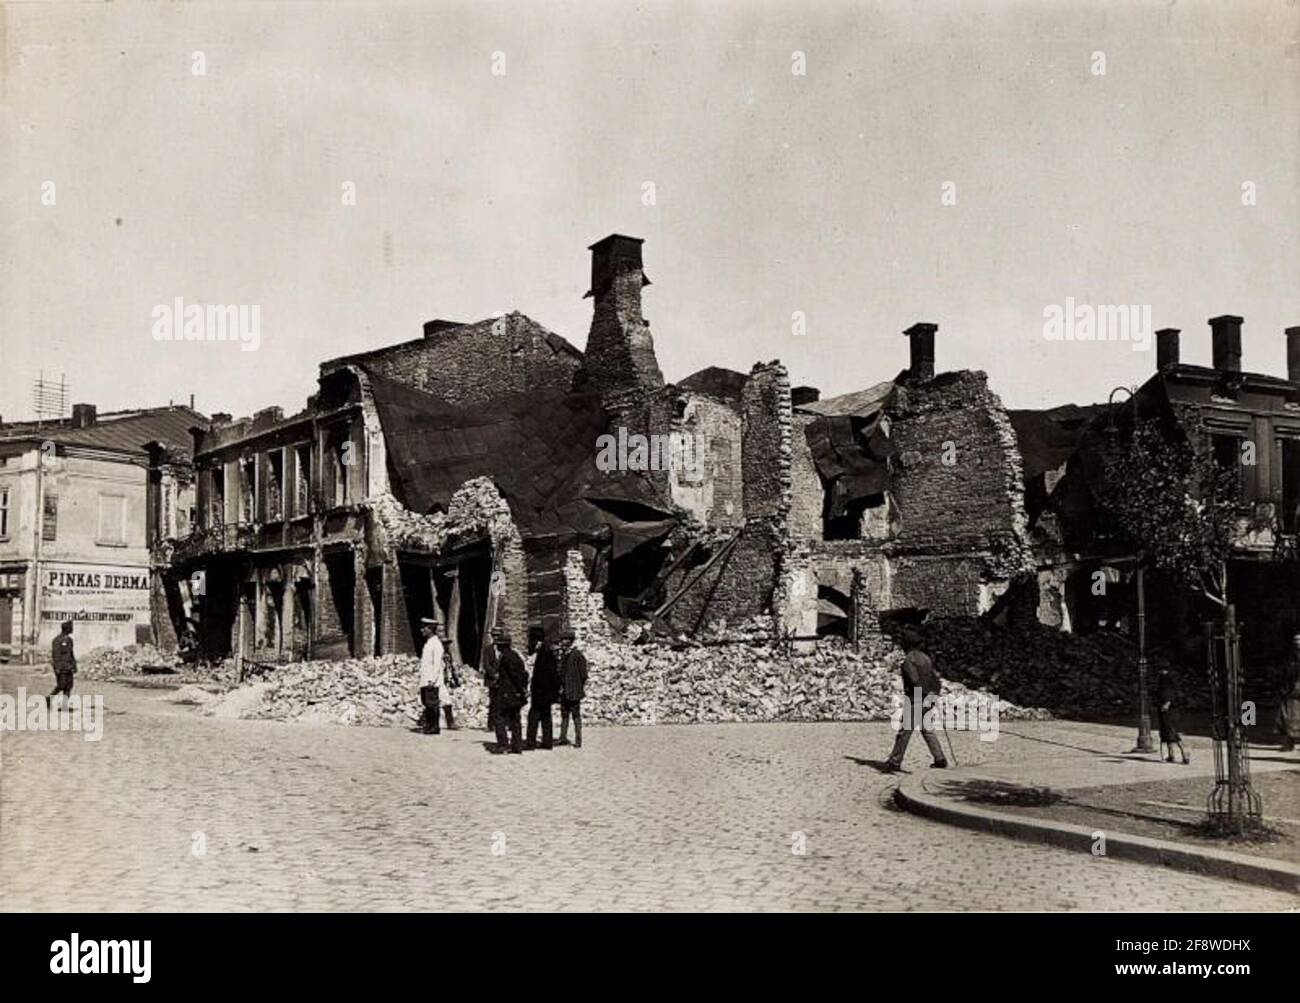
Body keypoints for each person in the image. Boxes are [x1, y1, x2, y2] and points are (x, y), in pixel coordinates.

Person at [883, 625, 947, 772]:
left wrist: (920, 697)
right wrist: (932, 696)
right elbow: (935, 680)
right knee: (927, 729)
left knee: (905, 731)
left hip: (916, 698)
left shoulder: (908, 661)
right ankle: (940, 759)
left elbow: (914, 681)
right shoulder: (926, 658)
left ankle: (894, 761)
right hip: (929, 697)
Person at [491, 630, 529, 754]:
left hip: (507, 693)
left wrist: (521, 689)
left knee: (499, 717)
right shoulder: (515, 655)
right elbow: (524, 674)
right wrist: (523, 690)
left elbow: (515, 676)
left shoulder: (506, 657)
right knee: (515, 719)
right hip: (515, 693)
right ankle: (516, 746)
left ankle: (503, 745)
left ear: (502, 645)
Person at [418, 617, 456, 734]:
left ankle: (434, 727)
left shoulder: (436, 644)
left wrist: (431, 680)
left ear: (430, 629)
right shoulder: (429, 643)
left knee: (432, 704)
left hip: (432, 681)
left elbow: (436, 664)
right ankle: (429, 725)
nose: (422, 630)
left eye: (424, 628)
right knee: (427, 704)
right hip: (426, 679)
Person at [525, 627, 561, 750]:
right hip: (546, 694)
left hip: (540, 694)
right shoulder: (547, 653)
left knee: (533, 718)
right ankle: (547, 743)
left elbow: (548, 676)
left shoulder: (544, 654)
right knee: (546, 718)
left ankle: (531, 743)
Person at [557, 629, 588, 749]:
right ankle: (562, 737)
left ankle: (578, 740)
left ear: (569, 641)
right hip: (564, 691)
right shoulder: (564, 655)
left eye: (564, 640)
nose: (562, 642)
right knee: (564, 715)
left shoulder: (577, 655)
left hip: (574, 691)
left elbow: (583, 674)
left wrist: (577, 686)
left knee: (576, 716)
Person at [1155, 666, 1190, 764]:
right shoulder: (1163, 679)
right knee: (1166, 731)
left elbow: (1173, 693)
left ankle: (1185, 754)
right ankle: (1171, 755)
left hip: (1170, 710)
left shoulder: (1170, 678)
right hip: (1164, 709)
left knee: (1171, 731)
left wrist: (1168, 703)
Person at [1277, 634, 1300, 752]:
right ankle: (1290, 742)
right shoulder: (1291, 657)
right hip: (1291, 690)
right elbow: (1287, 671)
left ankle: (1291, 743)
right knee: (1288, 717)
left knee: (1291, 716)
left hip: (1294, 688)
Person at [49, 620, 76, 708]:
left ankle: (65, 705)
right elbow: (56, 655)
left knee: (69, 686)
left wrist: (74, 665)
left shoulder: (70, 640)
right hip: (61, 667)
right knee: (61, 685)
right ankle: (49, 699)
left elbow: (71, 654)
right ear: (66, 629)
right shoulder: (57, 640)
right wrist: (57, 668)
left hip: (69, 667)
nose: (72, 629)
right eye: (71, 628)